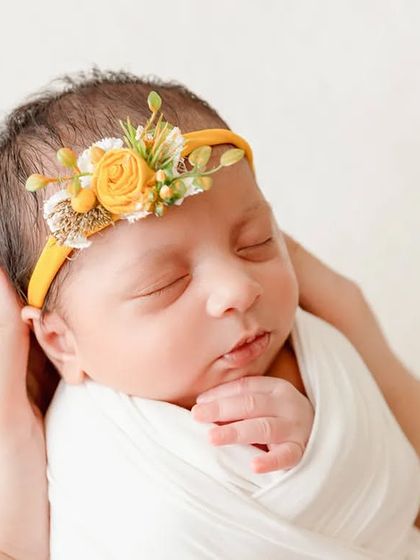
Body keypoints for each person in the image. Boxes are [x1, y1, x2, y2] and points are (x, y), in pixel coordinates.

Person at [0, 69, 418, 559]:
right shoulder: (71, 450)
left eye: (257, 242)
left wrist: (329, 447)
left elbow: (392, 497)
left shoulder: (320, 350)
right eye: (165, 283)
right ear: (61, 341)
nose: (238, 288)